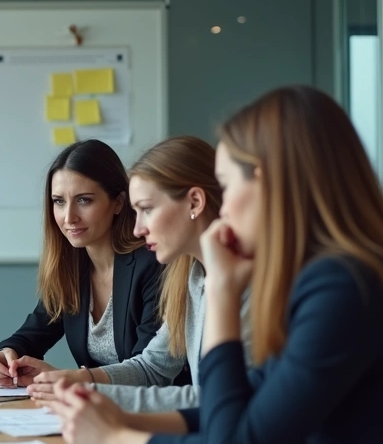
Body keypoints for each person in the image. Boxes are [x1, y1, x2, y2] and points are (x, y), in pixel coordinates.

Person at [47, 86, 383, 444]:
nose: (223, 199)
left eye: (230, 182)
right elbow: (251, 403)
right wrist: (120, 416)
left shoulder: (344, 285)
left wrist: (115, 443)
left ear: (268, 181)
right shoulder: (325, 276)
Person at [27, 136, 250, 412]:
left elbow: (223, 403)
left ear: (194, 202)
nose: (137, 229)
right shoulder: (189, 275)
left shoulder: (245, 282)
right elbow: (153, 366)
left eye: (146, 209)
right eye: (58, 201)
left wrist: (90, 397)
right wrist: (81, 382)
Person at [0, 140, 164, 389]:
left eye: (84, 200)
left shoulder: (152, 264)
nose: (69, 217)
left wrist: (70, 379)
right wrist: (6, 355)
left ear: (119, 203)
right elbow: (30, 335)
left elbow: (146, 373)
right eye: (59, 201)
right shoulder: (70, 267)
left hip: (158, 413)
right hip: (98, 411)